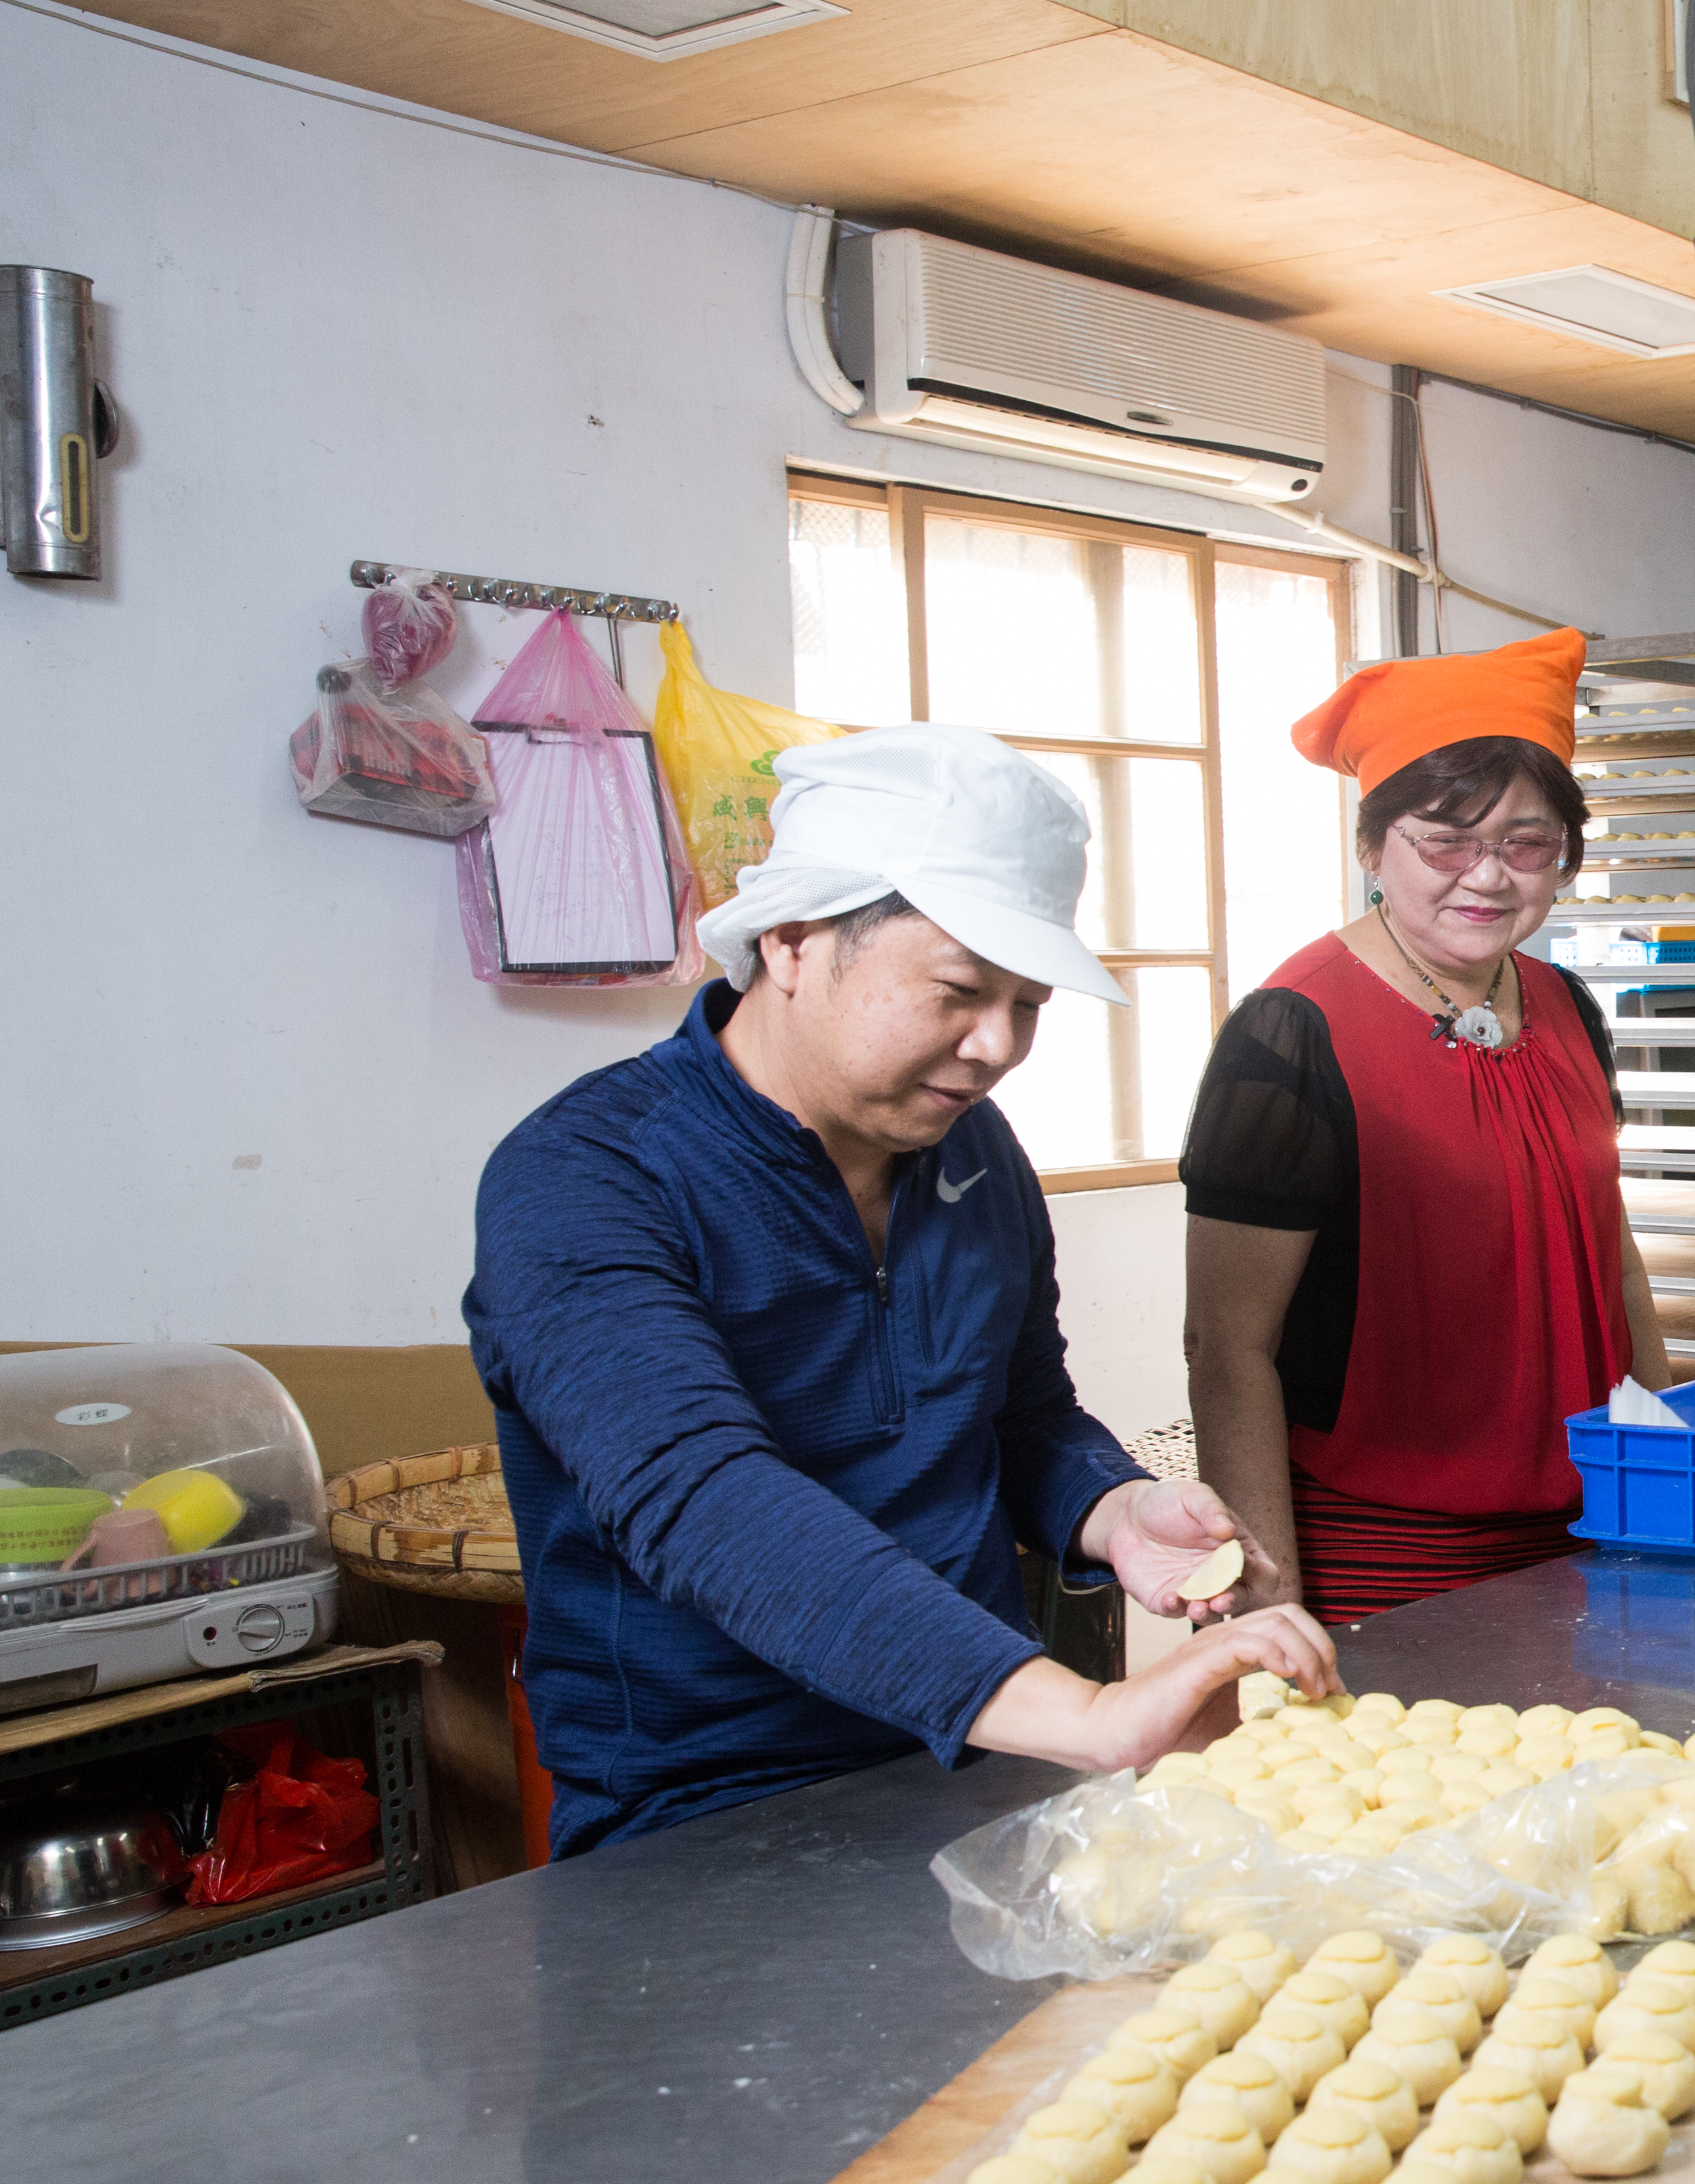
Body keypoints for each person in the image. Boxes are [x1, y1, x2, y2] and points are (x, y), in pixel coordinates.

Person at [467, 726, 1331, 1855]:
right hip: (703, 1809)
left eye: (1030, 1004)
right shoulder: (589, 1176)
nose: (995, 1047)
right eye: (958, 991)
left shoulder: (974, 1156)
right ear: (789, 942)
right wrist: (1087, 1713)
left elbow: (1023, 1415)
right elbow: (703, 1498)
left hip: (974, 1765)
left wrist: (1113, 1511)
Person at [1178, 626, 1669, 1629]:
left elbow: (1615, 1266)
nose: (1489, 876)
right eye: (1446, 838)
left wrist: (1666, 1477)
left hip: (1595, 1531)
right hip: (1385, 1556)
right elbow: (1227, 1344)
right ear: (1372, 845)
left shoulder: (1569, 1008)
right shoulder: (1293, 1033)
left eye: (1528, 843)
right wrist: (1269, 1597)